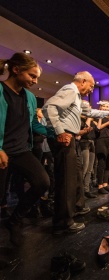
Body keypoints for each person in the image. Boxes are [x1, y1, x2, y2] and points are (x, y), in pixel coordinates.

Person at [42, 71, 109, 234]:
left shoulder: (78, 97)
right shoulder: (70, 90)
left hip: (70, 137)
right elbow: (48, 108)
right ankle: (62, 222)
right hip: (64, 137)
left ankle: (77, 206)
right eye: (91, 86)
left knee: (76, 174)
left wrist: (108, 114)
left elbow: (89, 112)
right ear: (83, 81)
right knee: (66, 180)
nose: (92, 90)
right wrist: (59, 132)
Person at [0, 52, 50, 246]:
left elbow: (32, 124)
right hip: (2, 151)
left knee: (42, 182)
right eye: (32, 76)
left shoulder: (29, 97)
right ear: (16, 70)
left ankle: (15, 220)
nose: (35, 81)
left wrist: (54, 133)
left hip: (21, 151)